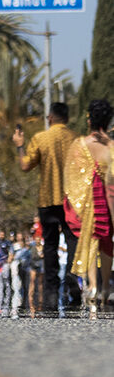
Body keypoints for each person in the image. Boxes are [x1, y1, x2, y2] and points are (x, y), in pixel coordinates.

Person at [13, 102, 79, 313]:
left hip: (47, 199)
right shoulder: (76, 139)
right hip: (71, 199)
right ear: (67, 119)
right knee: (72, 240)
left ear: (50, 117)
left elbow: (25, 165)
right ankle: (71, 275)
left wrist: (19, 145)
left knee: (50, 245)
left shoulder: (41, 138)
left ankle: (50, 292)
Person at [64, 98, 113, 314]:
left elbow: (71, 175)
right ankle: (105, 287)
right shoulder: (111, 146)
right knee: (107, 242)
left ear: (89, 118)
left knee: (92, 241)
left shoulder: (79, 144)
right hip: (108, 200)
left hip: (88, 201)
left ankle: (92, 287)